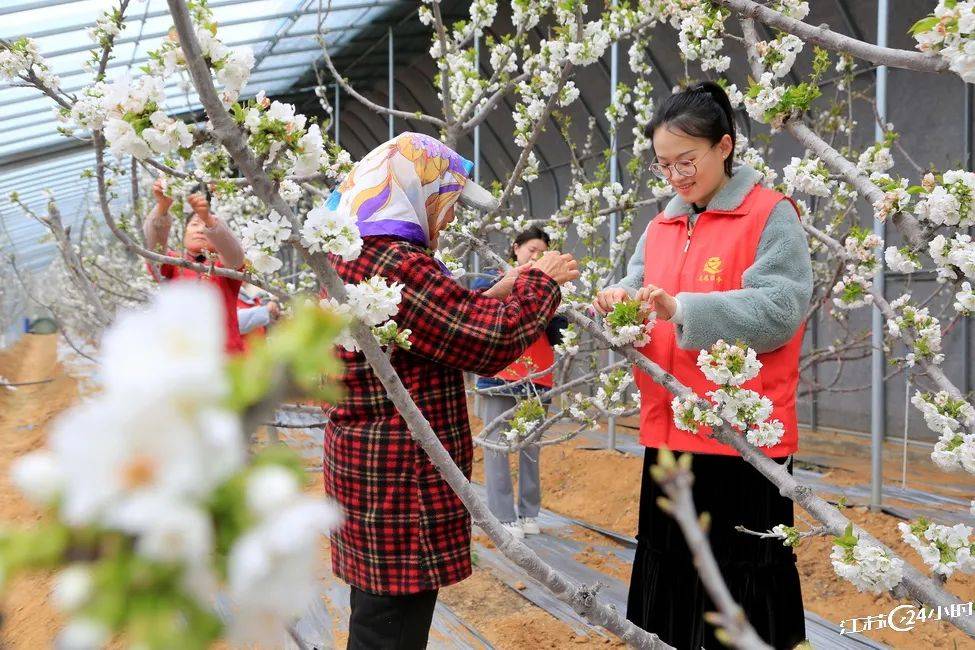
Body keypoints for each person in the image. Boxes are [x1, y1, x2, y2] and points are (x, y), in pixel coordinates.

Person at [321, 132, 580, 650]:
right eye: (448, 199)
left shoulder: (352, 249)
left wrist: (499, 289)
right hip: (399, 480)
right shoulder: (392, 259)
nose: (452, 216)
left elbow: (434, 315)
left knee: (376, 617)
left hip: (370, 467)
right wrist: (542, 284)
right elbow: (485, 342)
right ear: (414, 189)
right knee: (390, 629)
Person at [594, 82, 813, 649]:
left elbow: (780, 309)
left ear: (725, 146)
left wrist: (682, 308)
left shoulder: (770, 214)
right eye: (664, 165)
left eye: (685, 161)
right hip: (671, 428)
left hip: (740, 437)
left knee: (741, 586)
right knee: (675, 584)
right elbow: (636, 283)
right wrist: (617, 300)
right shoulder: (661, 224)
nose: (676, 176)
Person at [471, 226, 568, 539]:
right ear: (516, 248)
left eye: (542, 252)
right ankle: (503, 516)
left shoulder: (551, 287)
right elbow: (480, 313)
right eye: (532, 250)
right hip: (499, 374)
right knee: (497, 447)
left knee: (530, 449)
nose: (536, 256)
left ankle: (529, 513)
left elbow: (558, 334)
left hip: (537, 377)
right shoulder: (494, 278)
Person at [145, 178, 247, 353]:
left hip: (226, 359)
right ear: (184, 233)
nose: (200, 230)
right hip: (184, 360)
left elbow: (235, 256)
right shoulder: (172, 265)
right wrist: (162, 208)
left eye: (205, 226)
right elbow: (154, 252)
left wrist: (210, 221)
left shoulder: (223, 266)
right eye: (194, 224)